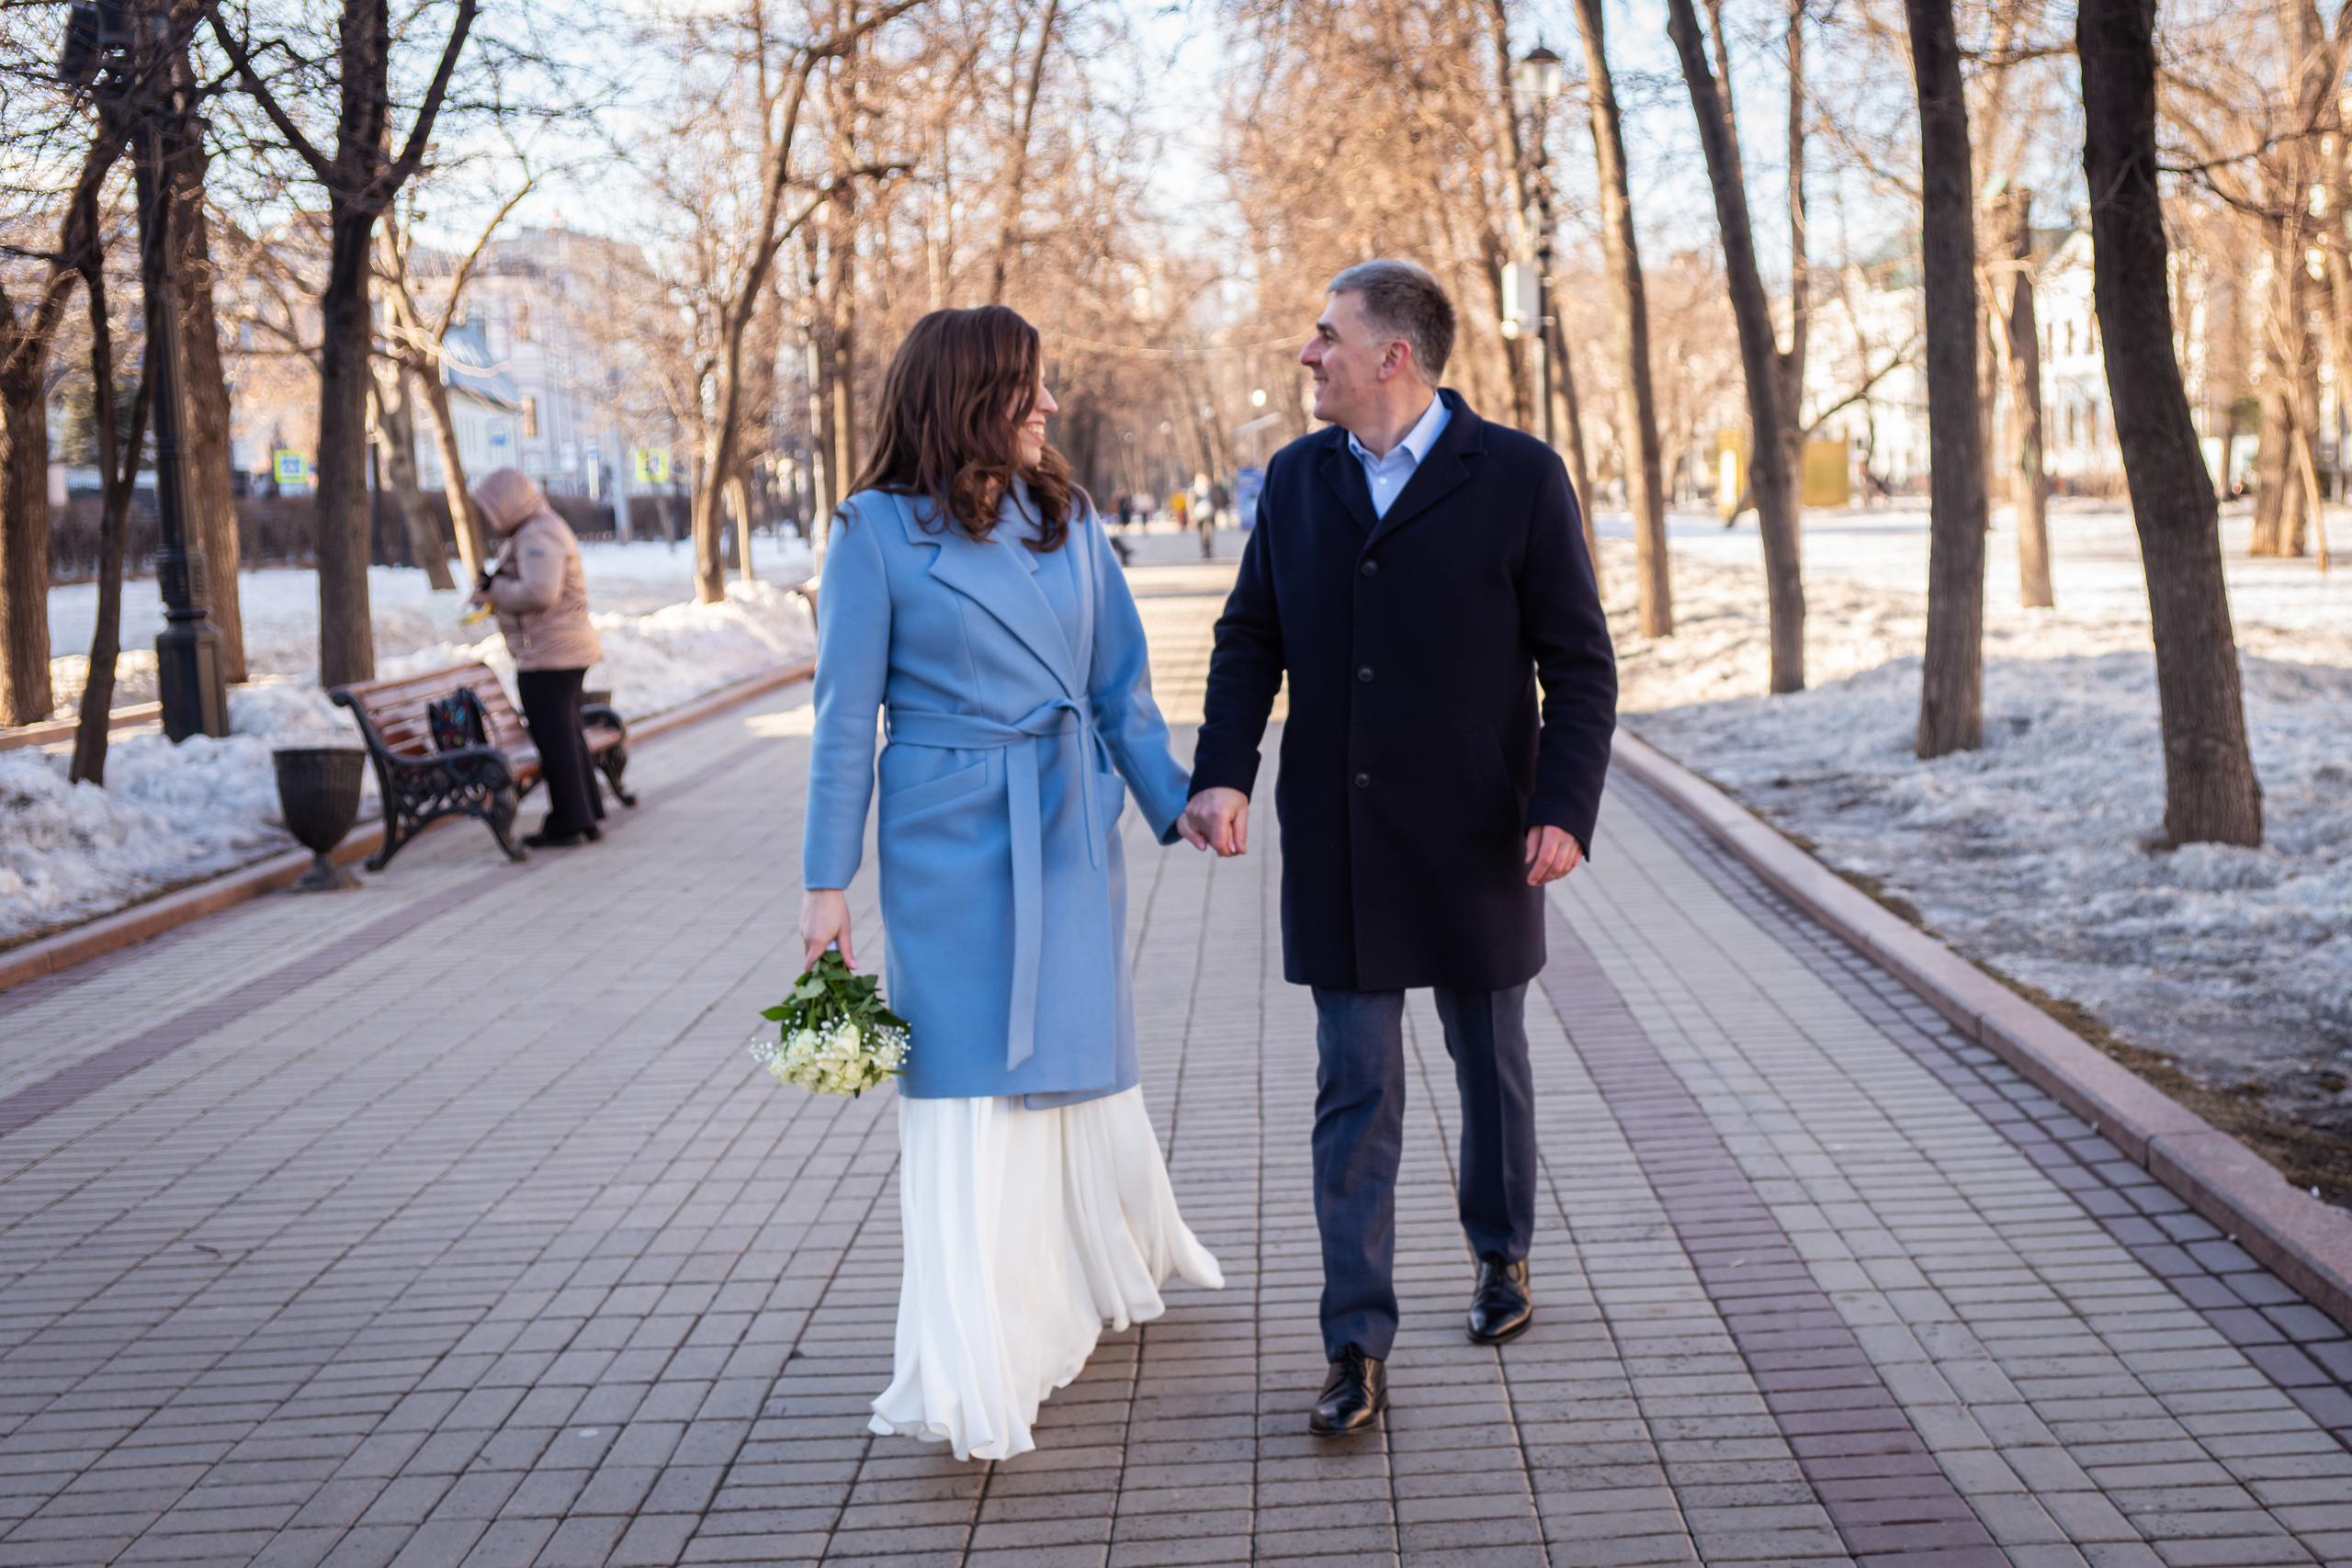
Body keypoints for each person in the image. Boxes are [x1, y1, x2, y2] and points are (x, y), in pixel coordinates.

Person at [1181, 259, 1617, 1436]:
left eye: (1326, 334)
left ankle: (1500, 1252)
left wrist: (1563, 807)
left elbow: (1579, 664)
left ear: (1394, 355)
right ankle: (1354, 1343)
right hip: (1343, 832)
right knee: (1355, 1087)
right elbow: (1249, 637)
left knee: (1489, 1060)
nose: (1307, 354)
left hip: (1481, 829)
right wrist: (1222, 771)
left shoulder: (1517, 475)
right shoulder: (1298, 477)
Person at [799, 305, 1224, 1463]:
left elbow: (1120, 685)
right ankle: (978, 1349)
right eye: (1027, 387)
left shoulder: (1065, 517)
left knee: (1069, 1063)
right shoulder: (874, 531)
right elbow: (842, 718)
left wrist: (1174, 799)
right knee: (964, 1083)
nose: (1048, 405)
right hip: (947, 842)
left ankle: (1075, 1276)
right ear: (968, 397)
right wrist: (826, 882)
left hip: (1064, 824)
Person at [469, 468, 606, 849]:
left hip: (549, 654)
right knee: (568, 737)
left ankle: (568, 822)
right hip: (556, 650)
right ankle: (586, 816)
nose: (490, 517)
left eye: (492, 508)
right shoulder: (537, 528)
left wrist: (495, 591)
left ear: (507, 503)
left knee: (556, 741)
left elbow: (541, 593)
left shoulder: (537, 533)